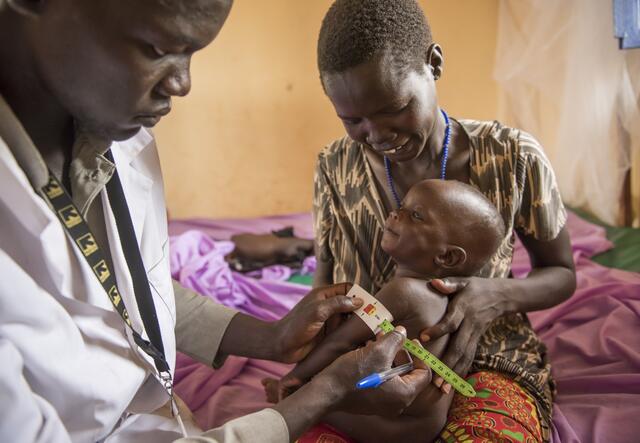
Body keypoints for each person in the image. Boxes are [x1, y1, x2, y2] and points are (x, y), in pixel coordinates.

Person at [0, 0, 434, 442]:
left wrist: (271, 337)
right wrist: (329, 390)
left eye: (192, 53)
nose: (183, 83)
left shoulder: (113, 138)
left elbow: (129, 293)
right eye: (156, 47)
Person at [312, 0, 577, 442]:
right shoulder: (334, 166)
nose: (376, 136)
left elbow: (562, 273)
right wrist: (325, 367)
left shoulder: (512, 156)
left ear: (433, 64)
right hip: (367, 361)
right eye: (352, 119)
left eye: (393, 107)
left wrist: (491, 295)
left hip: (483, 361)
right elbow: (325, 282)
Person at [263, 179, 506, 441]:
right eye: (402, 206)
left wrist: (294, 379)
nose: (395, 214)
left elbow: (339, 342)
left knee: (309, 404)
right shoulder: (452, 298)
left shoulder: (403, 291)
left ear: (447, 257)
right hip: (425, 424)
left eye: (415, 215)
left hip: (394, 427)